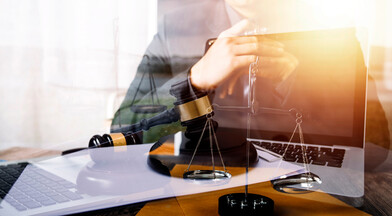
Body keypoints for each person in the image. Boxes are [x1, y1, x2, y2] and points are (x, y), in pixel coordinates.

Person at [112, 0, 390, 169]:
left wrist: (297, 84)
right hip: (200, 179)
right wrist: (194, 82)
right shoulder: (175, 29)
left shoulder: (333, 29)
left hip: (308, 186)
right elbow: (121, 133)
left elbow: (376, 146)